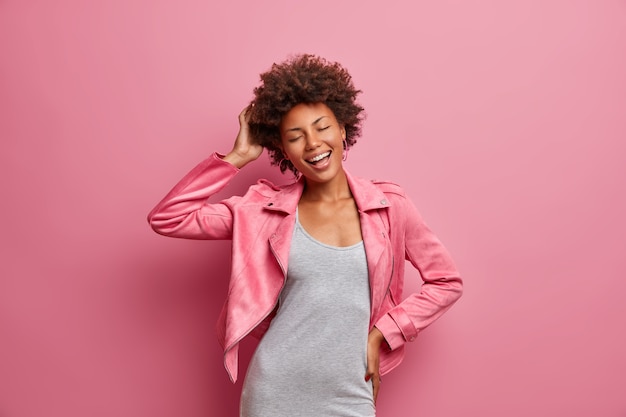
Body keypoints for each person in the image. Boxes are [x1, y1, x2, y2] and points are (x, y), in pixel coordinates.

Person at [147, 54, 463, 417]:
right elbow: (169, 218)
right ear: (283, 151)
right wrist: (237, 156)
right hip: (275, 390)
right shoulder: (262, 212)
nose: (312, 143)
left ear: (343, 129)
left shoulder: (390, 206)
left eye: (322, 127)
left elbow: (446, 281)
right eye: (295, 137)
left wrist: (383, 333)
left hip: (350, 391)